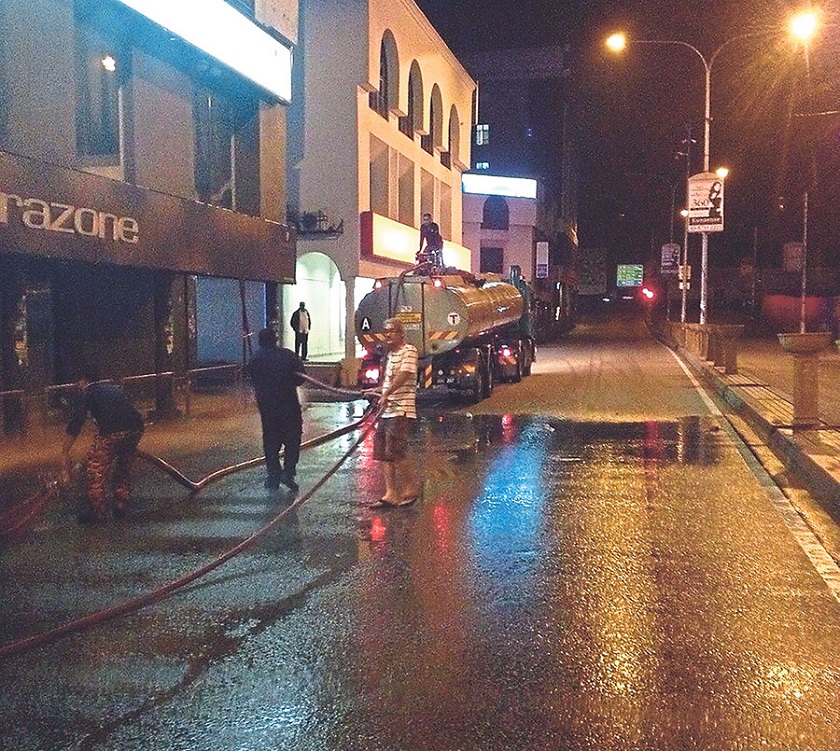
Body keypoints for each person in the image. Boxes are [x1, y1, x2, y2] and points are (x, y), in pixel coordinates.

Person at [62, 365, 145, 524]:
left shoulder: (88, 393)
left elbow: (77, 421)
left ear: (83, 380)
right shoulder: (111, 389)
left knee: (95, 469)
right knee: (124, 466)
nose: (76, 385)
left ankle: (98, 511)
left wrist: (65, 449)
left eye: (77, 382)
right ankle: (121, 503)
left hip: (111, 431)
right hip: (135, 428)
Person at [367, 318, 420, 507]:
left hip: (401, 409)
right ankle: (391, 493)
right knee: (381, 452)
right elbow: (388, 381)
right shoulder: (389, 355)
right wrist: (378, 390)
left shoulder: (409, 351)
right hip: (386, 410)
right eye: (385, 331)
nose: (388, 335)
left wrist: (387, 392)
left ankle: (410, 488)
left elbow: (405, 374)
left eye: (392, 331)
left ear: (401, 334)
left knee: (396, 450)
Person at [246, 327, 305, 493]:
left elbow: (252, 378)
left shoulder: (255, 359)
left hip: (267, 407)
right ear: (275, 339)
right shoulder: (287, 355)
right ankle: (288, 472)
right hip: (289, 405)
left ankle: (273, 475)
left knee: (271, 442)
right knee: (292, 440)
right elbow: (300, 378)